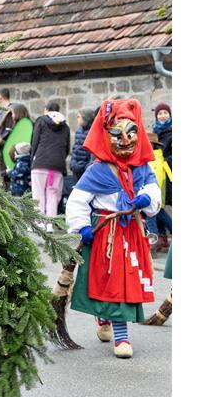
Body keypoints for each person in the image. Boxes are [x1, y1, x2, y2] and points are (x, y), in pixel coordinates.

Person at [64, 99, 162, 358]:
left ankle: (113, 325)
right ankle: (119, 334)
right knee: (109, 281)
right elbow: (77, 201)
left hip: (132, 233)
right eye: (118, 134)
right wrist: (82, 227)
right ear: (106, 135)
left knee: (124, 281)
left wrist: (146, 198)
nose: (125, 140)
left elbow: (154, 191)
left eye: (131, 133)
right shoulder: (97, 171)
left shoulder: (142, 168)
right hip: (106, 234)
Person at [29, 100, 71, 218]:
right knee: (53, 196)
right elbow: (67, 148)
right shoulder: (65, 126)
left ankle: (39, 224)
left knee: (38, 197)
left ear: (46, 110)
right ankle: (51, 224)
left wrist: (32, 161)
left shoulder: (41, 121)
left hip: (40, 164)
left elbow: (35, 143)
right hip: (57, 167)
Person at [1, 103, 33, 174]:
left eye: (13, 113)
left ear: (18, 113)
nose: (12, 116)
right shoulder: (18, 126)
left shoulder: (25, 126)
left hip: (21, 161)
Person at [69, 107, 97, 181]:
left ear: (86, 118)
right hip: (75, 169)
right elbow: (75, 148)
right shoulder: (79, 130)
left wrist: (87, 167)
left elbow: (93, 153)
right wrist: (72, 163)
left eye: (79, 117)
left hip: (85, 170)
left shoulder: (93, 132)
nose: (77, 119)